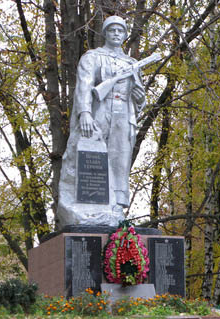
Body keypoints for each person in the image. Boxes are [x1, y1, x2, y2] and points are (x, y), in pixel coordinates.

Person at [57, 16, 146, 227]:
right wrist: (85, 113)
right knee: (93, 157)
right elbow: (85, 86)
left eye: (120, 31)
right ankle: (91, 205)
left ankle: (116, 208)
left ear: (125, 35)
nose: (116, 34)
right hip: (100, 111)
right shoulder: (93, 57)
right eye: (112, 30)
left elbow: (139, 96)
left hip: (124, 113)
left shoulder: (132, 63)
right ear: (105, 33)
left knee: (120, 160)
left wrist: (139, 96)